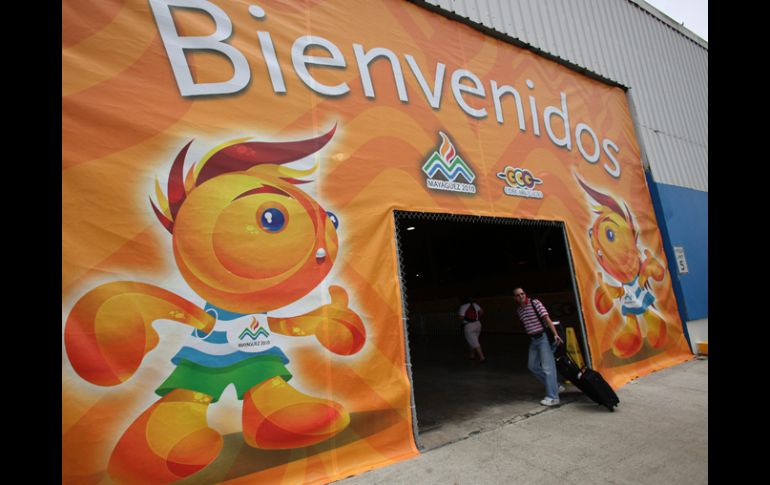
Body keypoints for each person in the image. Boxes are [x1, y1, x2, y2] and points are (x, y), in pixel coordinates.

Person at [513, 287, 564, 406]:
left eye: (522, 293)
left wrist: (555, 334)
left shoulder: (535, 303)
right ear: (515, 298)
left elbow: (547, 319)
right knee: (532, 366)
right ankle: (555, 386)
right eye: (518, 295)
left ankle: (553, 397)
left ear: (525, 294)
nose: (521, 296)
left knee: (548, 368)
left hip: (543, 339)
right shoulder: (519, 311)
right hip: (533, 340)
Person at [458, 297, 486, 362]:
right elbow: (482, 312)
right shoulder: (474, 304)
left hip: (469, 325)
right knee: (473, 340)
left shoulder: (463, 306)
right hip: (478, 324)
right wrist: (477, 318)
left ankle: (482, 357)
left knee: (474, 341)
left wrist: (461, 323)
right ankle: (472, 355)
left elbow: (461, 317)